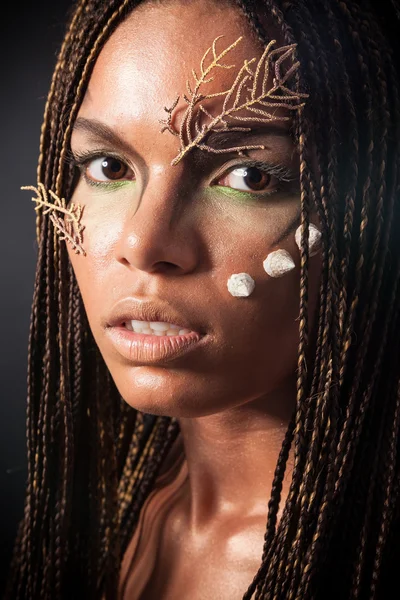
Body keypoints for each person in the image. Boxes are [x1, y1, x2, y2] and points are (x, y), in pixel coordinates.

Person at [6, 0, 400, 598]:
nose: (144, 244)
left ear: (371, 206)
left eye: (250, 177)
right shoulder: (107, 513)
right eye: (108, 166)